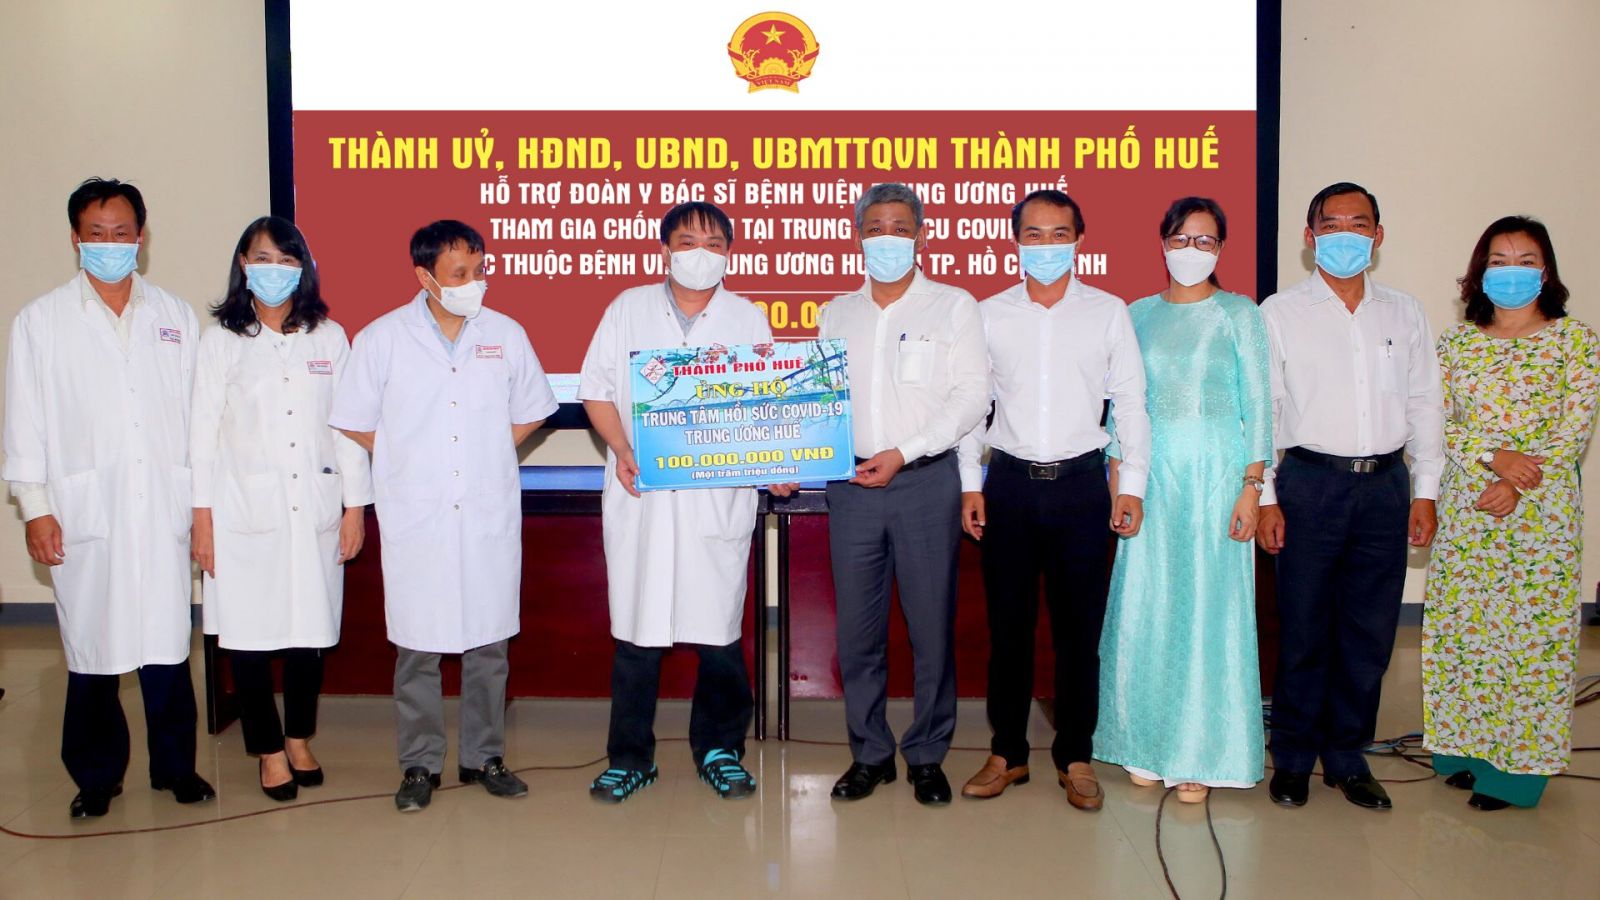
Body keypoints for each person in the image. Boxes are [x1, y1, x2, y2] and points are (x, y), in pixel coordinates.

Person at [3, 177, 214, 818]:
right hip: (85, 511)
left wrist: (200, 506)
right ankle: (96, 776)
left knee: (167, 645)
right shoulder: (41, 321)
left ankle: (175, 768)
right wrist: (36, 507)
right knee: (93, 647)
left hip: (162, 504)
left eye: (122, 233)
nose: (110, 243)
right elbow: (24, 422)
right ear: (75, 239)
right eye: (96, 233)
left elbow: (198, 422)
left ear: (141, 238)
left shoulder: (174, 317)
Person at [330, 220, 558, 813]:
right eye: (460, 273)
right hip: (419, 514)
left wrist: (489, 447)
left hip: (484, 510)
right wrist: (405, 455)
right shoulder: (382, 338)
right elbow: (352, 416)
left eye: (479, 271)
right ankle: (419, 764)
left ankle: (484, 756)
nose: (473, 282)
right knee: (417, 647)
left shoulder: (505, 334)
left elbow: (535, 406)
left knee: (489, 644)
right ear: (424, 276)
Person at [578, 202, 795, 803]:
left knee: (718, 633)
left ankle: (720, 750)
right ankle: (630, 758)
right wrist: (622, 449)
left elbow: (764, 410)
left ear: (729, 253)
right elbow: (596, 390)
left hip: (714, 502)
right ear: (665, 250)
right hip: (642, 494)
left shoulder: (747, 318)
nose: (701, 253)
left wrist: (776, 465)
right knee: (637, 634)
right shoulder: (627, 308)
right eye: (687, 241)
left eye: (714, 243)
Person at [955, 189, 1150, 811]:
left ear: (1079, 240)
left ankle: (1076, 756)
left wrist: (1131, 485)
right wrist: (970, 483)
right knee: (1008, 631)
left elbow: (1131, 404)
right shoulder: (988, 314)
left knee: (1078, 634)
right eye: (1033, 235)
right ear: (1016, 242)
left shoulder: (1108, 312)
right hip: (1009, 486)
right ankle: (1007, 753)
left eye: (1059, 234)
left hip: (1081, 488)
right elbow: (973, 407)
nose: (1046, 246)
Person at [1256, 182, 1444, 810]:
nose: (1345, 235)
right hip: (1309, 482)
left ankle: (1345, 755)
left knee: (1369, 630)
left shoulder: (1404, 312)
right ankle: (1292, 756)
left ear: (1378, 236)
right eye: (1331, 225)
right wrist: (1267, 496)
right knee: (1303, 626)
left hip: (1386, 486)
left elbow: (1425, 403)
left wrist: (1426, 490)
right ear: (1309, 238)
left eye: (1358, 224)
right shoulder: (1279, 312)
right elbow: (1266, 409)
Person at [1093, 197, 1271, 804]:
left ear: (1221, 248)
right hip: (1151, 481)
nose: (1191, 250)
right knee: (1148, 604)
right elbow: (1123, 408)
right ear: (1162, 243)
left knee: (1208, 610)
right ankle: (1145, 742)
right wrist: (1120, 483)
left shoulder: (1239, 314)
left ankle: (1200, 751)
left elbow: (1259, 405)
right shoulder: (1136, 315)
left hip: (1218, 480)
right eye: (1181, 238)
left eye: (1205, 240)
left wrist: (1253, 489)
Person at [191, 216, 373, 801]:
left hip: (314, 508)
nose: (274, 270)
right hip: (239, 512)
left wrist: (354, 506)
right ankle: (268, 751)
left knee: (307, 633)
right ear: (243, 265)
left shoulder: (330, 337)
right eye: (263, 258)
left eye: (287, 259)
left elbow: (348, 429)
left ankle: (298, 739)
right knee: (246, 635)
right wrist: (201, 518)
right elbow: (201, 436)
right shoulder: (221, 341)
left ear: (304, 269)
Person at [820, 183, 990, 806]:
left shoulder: (953, 306)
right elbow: (821, 403)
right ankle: (870, 753)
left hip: (924, 482)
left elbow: (972, 397)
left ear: (921, 234)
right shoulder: (836, 313)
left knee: (930, 628)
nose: (886, 238)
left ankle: (926, 755)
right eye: (874, 228)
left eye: (899, 227)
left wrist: (905, 451)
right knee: (857, 634)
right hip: (852, 488)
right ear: (858, 237)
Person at [1422, 216, 1599, 811]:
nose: (1512, 272)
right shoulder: (1456, 344)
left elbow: (1574, 427)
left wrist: (1520, 481)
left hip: (1540, 515)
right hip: (1469, 508)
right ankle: (1464, 750)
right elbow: (1437, 421)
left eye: (1526, 261)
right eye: (1499, 261)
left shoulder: (1576, 341)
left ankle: (1519, 772)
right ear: (1480, 272)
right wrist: (1494, 459)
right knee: (1465, 633)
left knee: (1531, 642)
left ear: (1546, 272)